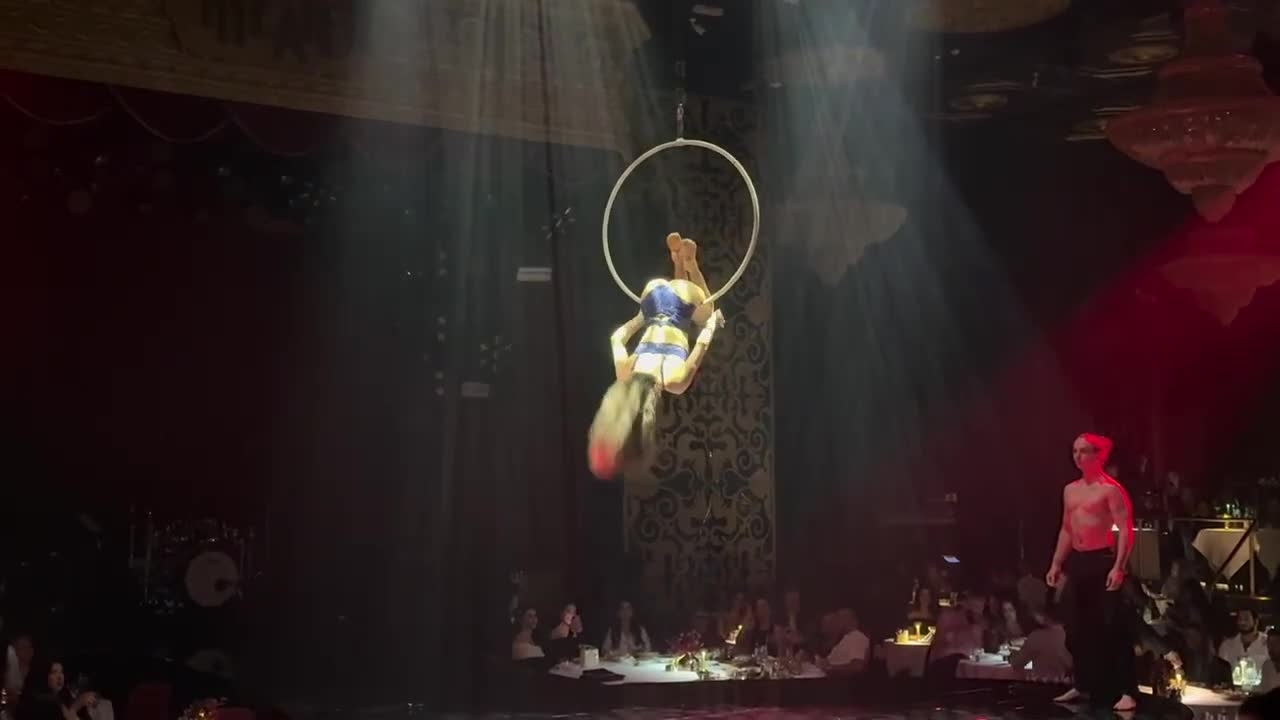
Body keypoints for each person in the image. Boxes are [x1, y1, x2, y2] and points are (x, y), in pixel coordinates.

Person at [587, 233, 723, 479]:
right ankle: (677, 259)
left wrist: (713, 322)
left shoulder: (675, 382)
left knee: (705, 311)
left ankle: (690, 264)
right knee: (687, 307)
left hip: (684, 297)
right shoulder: (625, 373)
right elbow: (616, 339)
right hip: (653, 295)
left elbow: (703, 341)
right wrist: (641, 318)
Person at [1044, 433, 1137, 711]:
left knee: (1112, 626)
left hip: (1103, 559)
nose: (1077, 456)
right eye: (1075, 451)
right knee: (1078, 628)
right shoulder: (1070, 490)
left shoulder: (1110, 490)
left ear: (1098, 455)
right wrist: (1056, 563)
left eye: (1083, 451)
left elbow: (1126, 529)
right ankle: (1084, 682)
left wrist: (1119, 566)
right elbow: (1067, 528)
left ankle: (1127, 689)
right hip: (1079, 560)